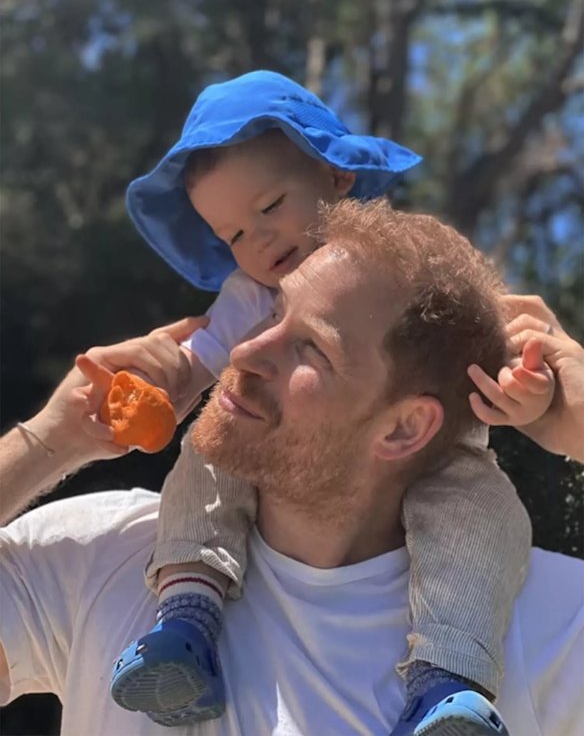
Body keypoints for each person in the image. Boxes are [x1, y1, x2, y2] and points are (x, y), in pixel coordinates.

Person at [1, 202, 582, 736]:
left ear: (404, 427)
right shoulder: (107, 553)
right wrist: (51, 439)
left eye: (311, 349)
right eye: (273, 310)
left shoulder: (548, 622)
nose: (246, 352)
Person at [97, 71, 551, 734]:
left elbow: (484, 343)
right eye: (234, 237)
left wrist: (525, 394)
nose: (258, 242)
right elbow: (201, 363)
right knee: (209, 448)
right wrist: (155, 388)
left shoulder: (406, 265)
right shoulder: (247, 301)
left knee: (483, 509)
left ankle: (447, 682)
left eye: (271, 205)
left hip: (436, 458)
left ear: (338, 177)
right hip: (291, 461)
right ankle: (187, 618)